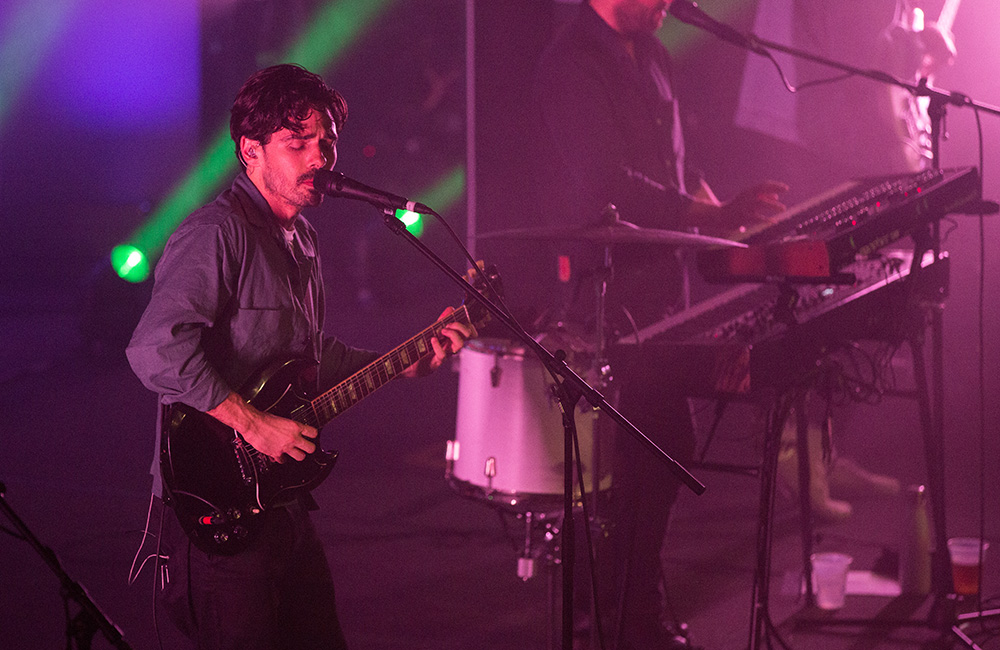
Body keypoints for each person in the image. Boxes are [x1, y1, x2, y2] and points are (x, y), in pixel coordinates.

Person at [126, 63, 472, 650]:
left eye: (327, 142)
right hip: (217, 502)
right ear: (251, 151)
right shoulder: (217, 233)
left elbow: (307, 356)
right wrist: (253, 424)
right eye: (299, 143)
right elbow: (156, 347)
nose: (321, 157)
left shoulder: (301, 240)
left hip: (281, 502)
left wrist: (403, 360)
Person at [530, 1, 787, 648]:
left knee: (663, 457)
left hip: (664, 288)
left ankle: (633, 607)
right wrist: (710, 218)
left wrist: (728, 217)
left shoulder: (654, 54)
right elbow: (607, 184)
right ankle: (622, 618)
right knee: (636, 465)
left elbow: (674, 170)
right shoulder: (571, 64)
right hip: (609, 293)